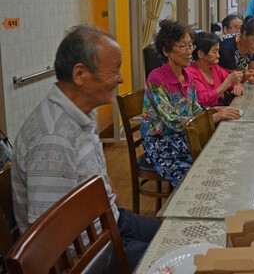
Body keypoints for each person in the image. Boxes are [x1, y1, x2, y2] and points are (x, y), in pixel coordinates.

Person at [11, 25, 160, 270]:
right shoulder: (53, 139)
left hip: (111, 223)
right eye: (114, 71)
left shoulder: (80, 112)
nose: (120, 78)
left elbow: (100, 178)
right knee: (178, 261)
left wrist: (124, 219)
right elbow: (52, 242)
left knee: (179, 235)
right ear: (80, 74)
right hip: (90, 251)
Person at [141, 20, 204, 187]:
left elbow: (194, 108)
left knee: (211, 161)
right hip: (161, 142)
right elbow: (172, 121)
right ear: (166, 51)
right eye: (182, 46)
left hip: (183, 137)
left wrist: (210, 114)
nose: (189, 52)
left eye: (190, 46)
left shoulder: (187, 75)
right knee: (191, 177)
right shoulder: (157, 78)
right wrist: (209, 118)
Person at [187, 32, 244, 120]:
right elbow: (204, 100)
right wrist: (228, 82)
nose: (218, 55)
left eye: (218, 51)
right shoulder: (191, 73)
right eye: (214, 51)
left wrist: (238, 85)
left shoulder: (215, 68)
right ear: (201, 54)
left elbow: (234, 82)